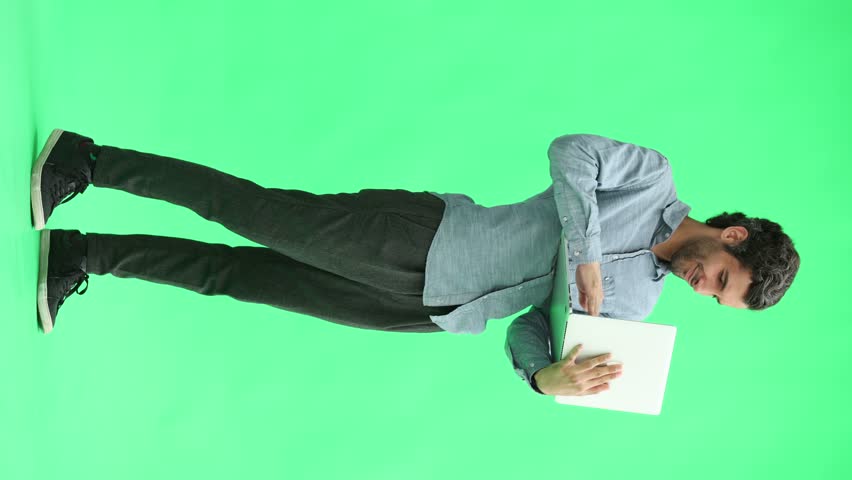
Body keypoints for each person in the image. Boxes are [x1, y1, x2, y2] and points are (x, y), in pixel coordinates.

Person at [31, 130, 799, 396]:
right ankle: (86, 160)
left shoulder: (640, 311)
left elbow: (530, 330)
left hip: (430, 312)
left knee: (242, 277)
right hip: (423, 236)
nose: (703, 288)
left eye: (715, 300)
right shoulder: (650, 177)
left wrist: (544, 376)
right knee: (248, 209)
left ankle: (84, 254)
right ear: (732, 237)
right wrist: (590, 251)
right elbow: (573, 153)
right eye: (721, 278)